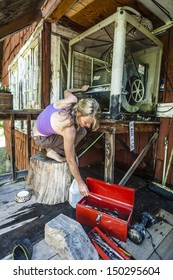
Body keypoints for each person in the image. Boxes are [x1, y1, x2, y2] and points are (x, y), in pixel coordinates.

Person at [33, 85, 101, 196]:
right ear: (79, 113)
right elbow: (70, 160)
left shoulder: (72, 100)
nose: (89, 125)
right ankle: (53, 151)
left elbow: (67, 91)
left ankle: (52, 149)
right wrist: (80, 183)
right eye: (87, 121)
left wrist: (81, 89)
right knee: (82, 132)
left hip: (38, 130)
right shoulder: (69, 128)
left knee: (82, 130)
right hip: (41, 139)